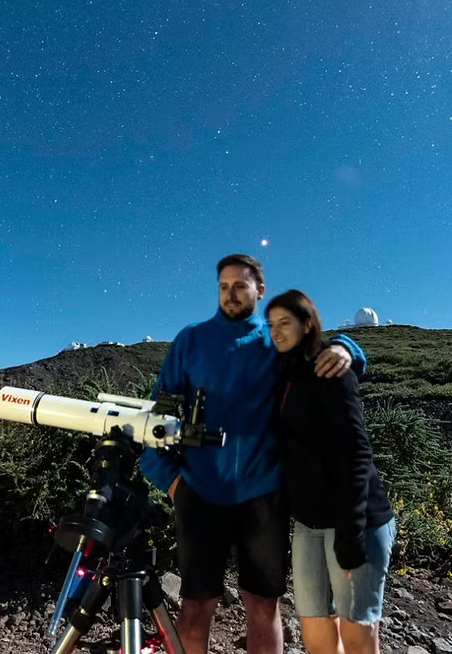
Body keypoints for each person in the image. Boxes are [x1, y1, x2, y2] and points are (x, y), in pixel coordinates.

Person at [140, 254, 366, 654]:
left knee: (263, 607)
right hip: (199, 494)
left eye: (240, 286)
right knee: (195, 608)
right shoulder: (190, 340)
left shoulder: (275, 339)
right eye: (223, 286)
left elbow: (320, 350)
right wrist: (171, 482)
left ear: (260, 291)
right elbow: (157, 416)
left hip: (263, 498)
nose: (230, 294)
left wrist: (349, 347)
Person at [266, 289, 395, 654]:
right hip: (308, 524)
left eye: (285, 323)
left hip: (356, 521)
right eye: (271, 324)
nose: (276, 331)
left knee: (356, 638)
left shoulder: (330, 370)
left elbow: (357, 454)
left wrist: (351, 534)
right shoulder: (281, 375)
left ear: (308, 324)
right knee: (315, 632)